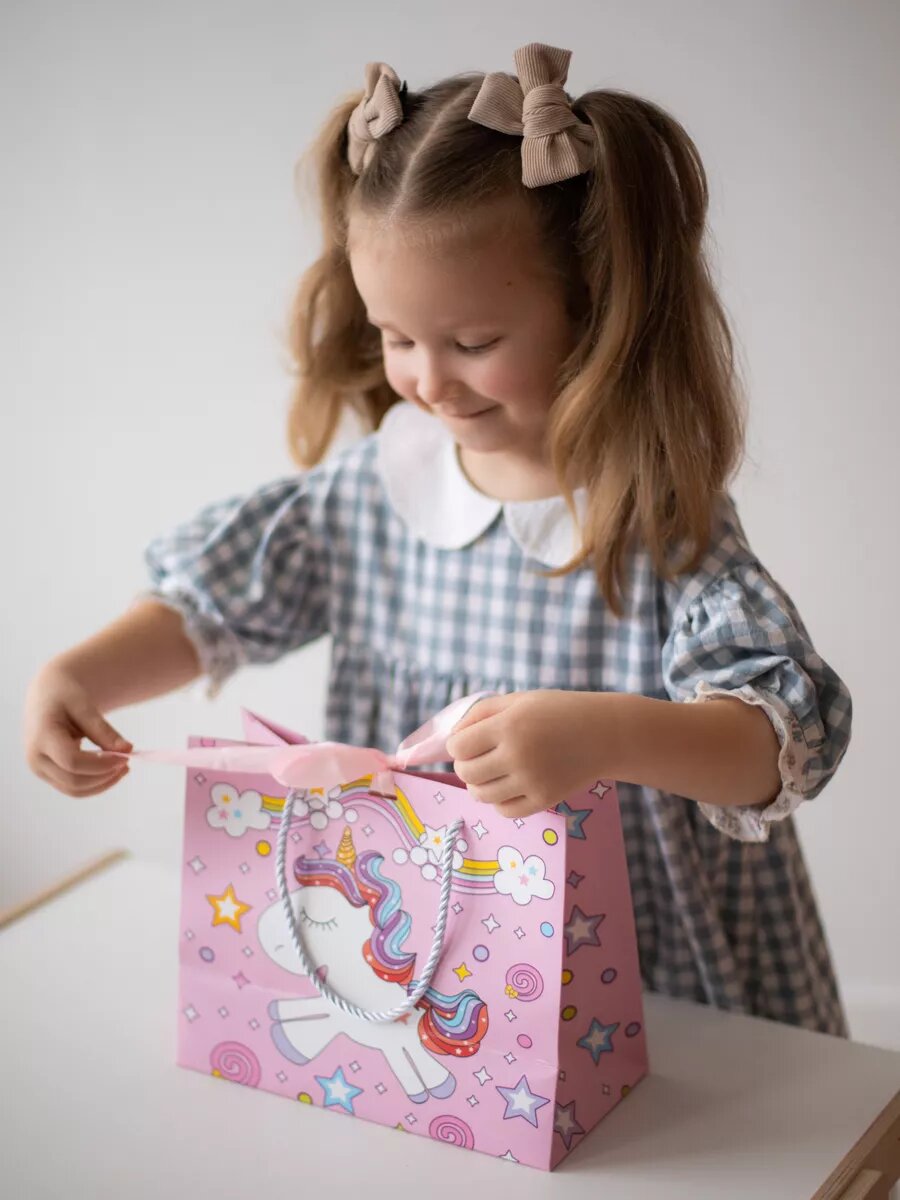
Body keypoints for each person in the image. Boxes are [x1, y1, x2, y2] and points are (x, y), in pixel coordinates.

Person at [23, 42, 852, 1036]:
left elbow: (778, 744)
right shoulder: (376, 494)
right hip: (445, 969)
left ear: (592, 307)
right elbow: (215, 600)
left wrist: (602, 735)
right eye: (397, 337)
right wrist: (81, 676)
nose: (426, 379)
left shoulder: (659, 527)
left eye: (472, 342)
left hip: (651, 989)